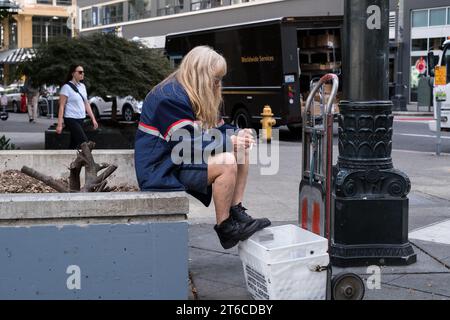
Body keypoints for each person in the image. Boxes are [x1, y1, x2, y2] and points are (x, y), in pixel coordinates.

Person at [135, 46, 271, 250]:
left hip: (178, 160)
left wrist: (238, 134)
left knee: (239, 149)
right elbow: (185, 145)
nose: (219, 84)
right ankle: (225, 228)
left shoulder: (193, 91)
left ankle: (236, 212)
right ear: (200, 75)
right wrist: (229, 141)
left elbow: (217, 128)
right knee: (227, 162)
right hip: (162, 169)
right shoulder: (169, 97)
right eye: (215, 78)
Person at [56, 64, 98, 149]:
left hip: (81, 118)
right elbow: (61, 106)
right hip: (70, 118)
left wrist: (93, 119)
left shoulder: (82, 86)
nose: (82, 74)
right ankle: (89, 162)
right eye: (80, 72)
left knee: (73, 144)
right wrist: (59, 124)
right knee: (85, 143)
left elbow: (86, 104)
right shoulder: (66, 87)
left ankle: (69, 160)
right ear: (73, 73)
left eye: (83, 72)